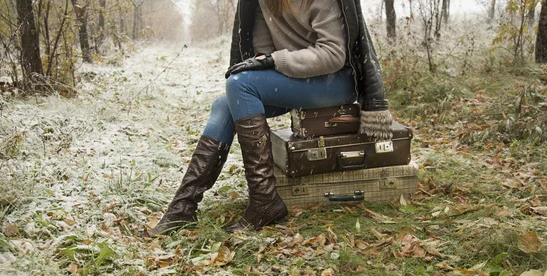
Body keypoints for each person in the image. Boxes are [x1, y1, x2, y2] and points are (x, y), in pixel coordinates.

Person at [148, 0, 393, 236]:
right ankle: (183, 207)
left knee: (239, 85)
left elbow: (333, 54)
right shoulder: (264, 2)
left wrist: (275, 60)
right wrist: (266, 59)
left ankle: (264, 199)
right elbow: (263, 51)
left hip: (336, 81)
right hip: (298, 77)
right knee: (224, 104)